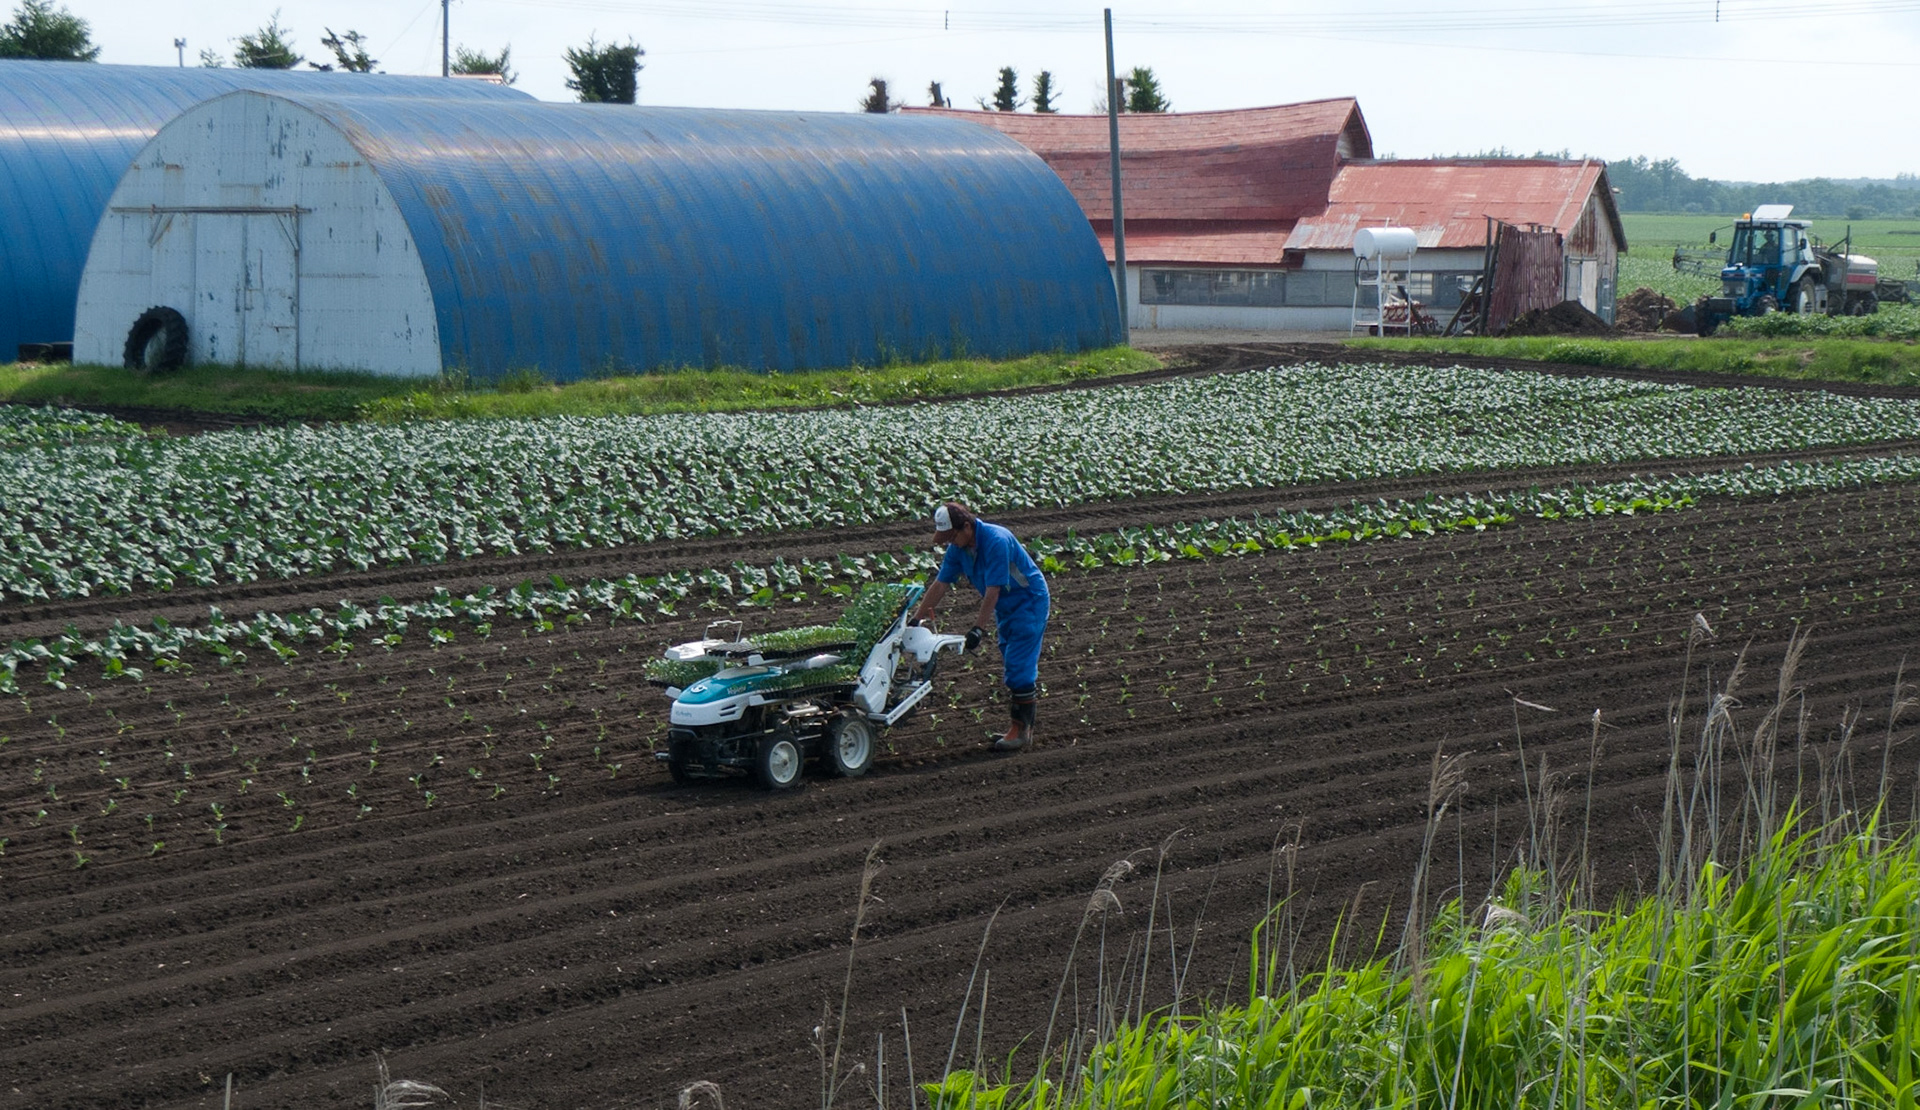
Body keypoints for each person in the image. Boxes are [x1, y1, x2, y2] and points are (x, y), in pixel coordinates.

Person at [909, 502, 1050, 752]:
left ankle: (1020, 730)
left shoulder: (996, 540)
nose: (950, 542)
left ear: (967, 527)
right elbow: (940, 584)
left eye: (952, 536)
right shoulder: (958, 549)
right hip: (1007, 605)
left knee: (1019, 665)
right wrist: (916, 618)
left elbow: (993, 589)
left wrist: (978, 628)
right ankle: (1020, 728)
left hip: (1028, 601)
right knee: (1009, 654)